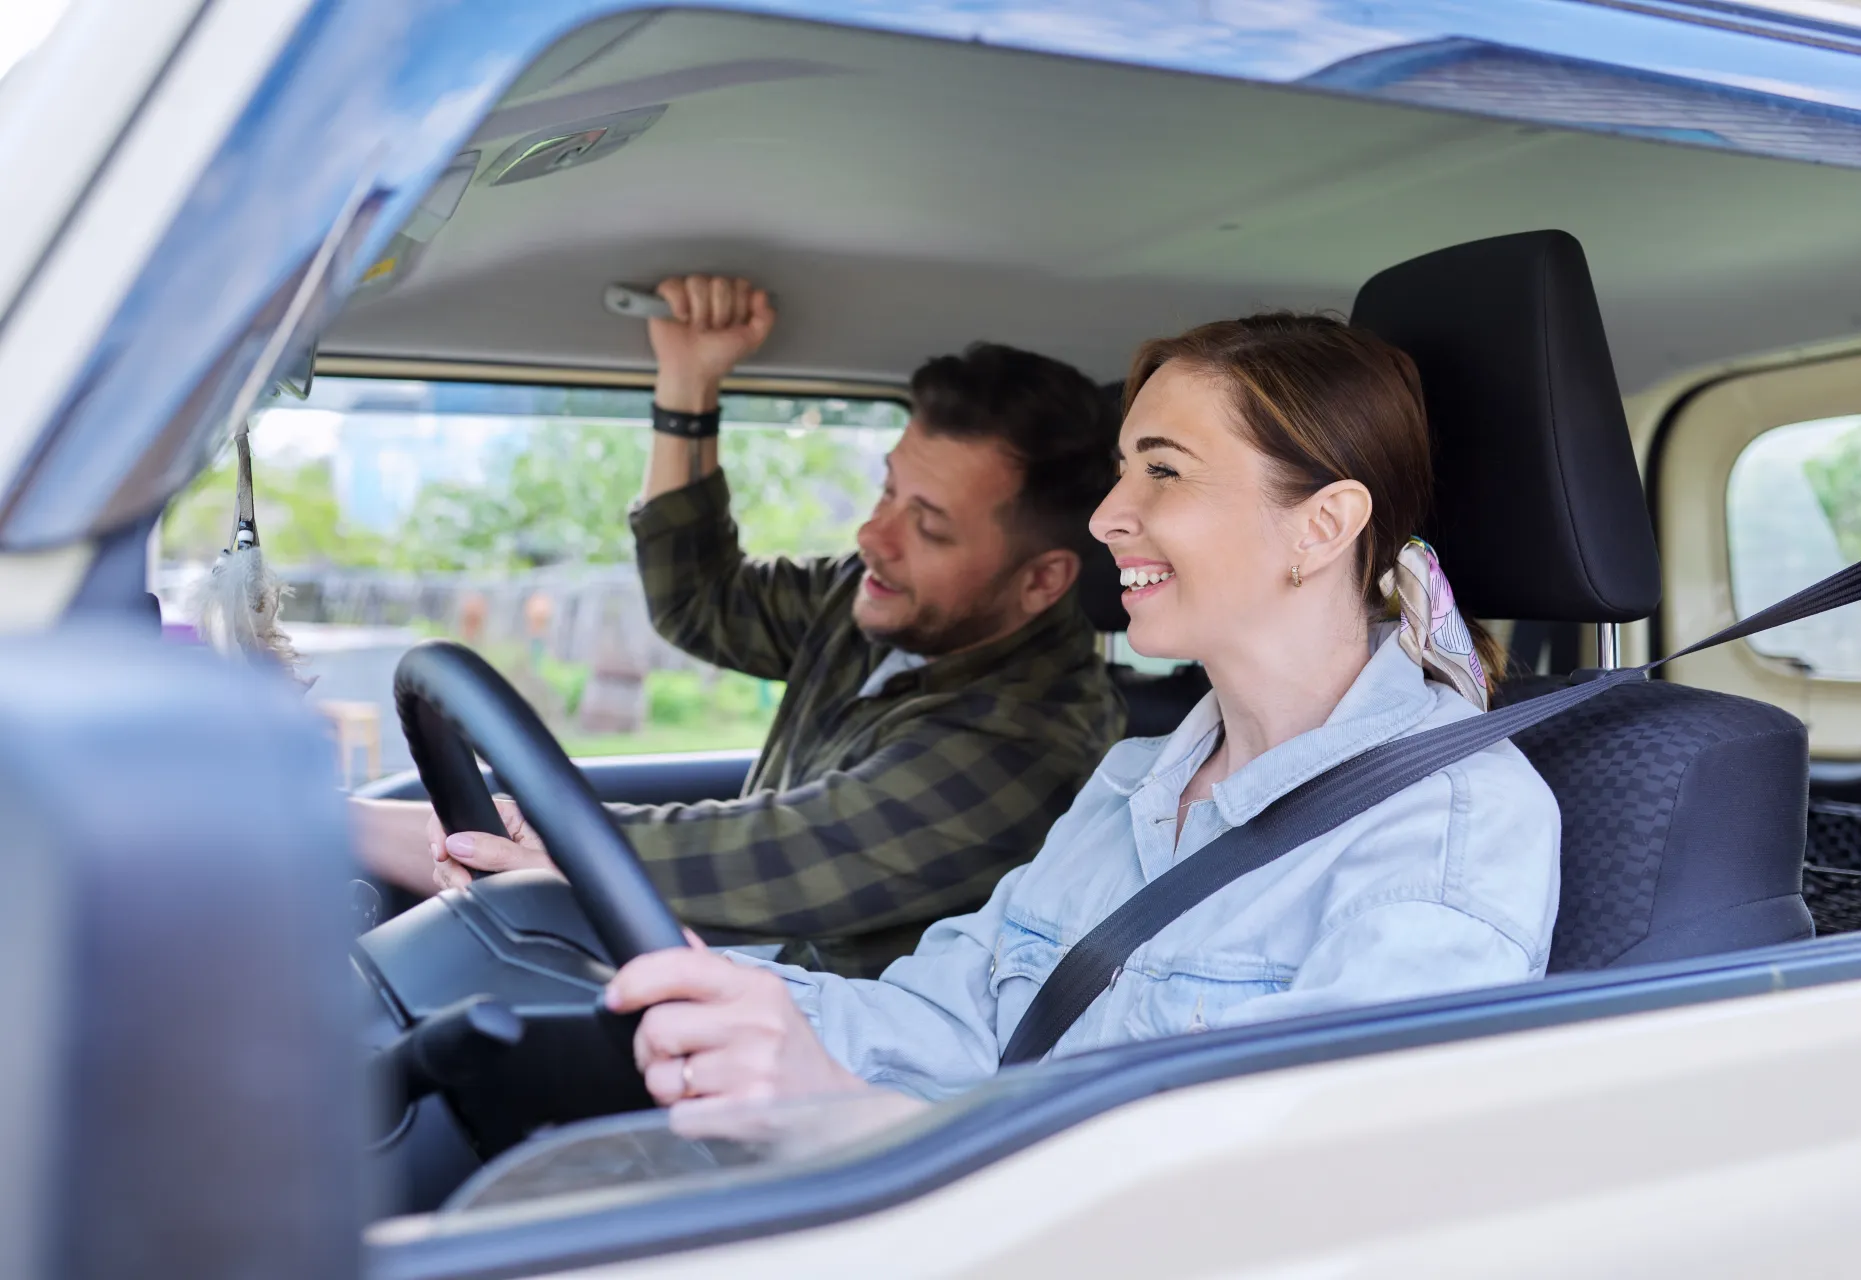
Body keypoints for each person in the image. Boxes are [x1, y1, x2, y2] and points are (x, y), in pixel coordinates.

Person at [597, 311, 1563, 1108]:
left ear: (1322, 524)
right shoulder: (1133, 783)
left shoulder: (1446, 835)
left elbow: (1271, 1199)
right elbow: (955, 1019)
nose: (1107, 514)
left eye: (1164, 469)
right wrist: (736, 998)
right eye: (1121, 467)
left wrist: (852, 1121)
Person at [355, 275, 1126, 977]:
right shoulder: (879, 602)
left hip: (829, 1076)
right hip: (736, 983)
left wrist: (376, 826)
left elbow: (770, 853)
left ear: (1043, 580)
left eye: (928, 526)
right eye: (888, 491)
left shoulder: (1026, 747)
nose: (872, 536)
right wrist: (689, 382)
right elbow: (700, 604)